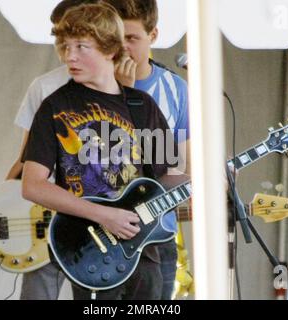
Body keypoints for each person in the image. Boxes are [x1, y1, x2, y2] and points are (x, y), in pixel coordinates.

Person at [21, 2, 188, 300]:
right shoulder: (54, 108)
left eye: (81, 47)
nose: (69, 56)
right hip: (90, 252)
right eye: (65, 46)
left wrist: (211, 178)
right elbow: (32, 185)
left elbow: (165, 179)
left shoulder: (143, 105)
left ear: (111, 49)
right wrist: (103, 215)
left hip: (143, 252)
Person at [0, 0, 101, 300]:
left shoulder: (123, 90)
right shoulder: (44, 87)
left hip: (98, 229)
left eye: (78, 39)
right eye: (61, 39)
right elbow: (24, 159)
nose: (69, 50)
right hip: (44, 219)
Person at [104, 0, 190, 300]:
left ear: (153, 36)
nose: (124, 48)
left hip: (157, 235)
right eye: (117, 38)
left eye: (132, 38)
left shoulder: (175, 89)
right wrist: (122, 94)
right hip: (101, 236)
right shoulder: (90, 86)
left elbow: (179, 168)